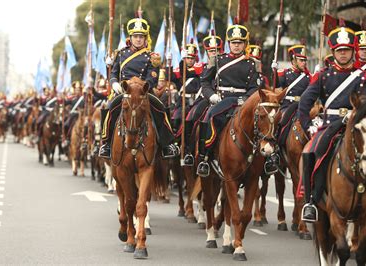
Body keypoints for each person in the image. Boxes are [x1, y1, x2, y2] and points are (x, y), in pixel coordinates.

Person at [299, 25, 366, 222]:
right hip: (330, 124)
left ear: (353, 51)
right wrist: (309, 125)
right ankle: (311, 201)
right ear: (333, 52)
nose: (343, 54)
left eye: (347, 50)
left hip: (356, 125)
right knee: (311, 152)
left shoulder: (364, 77)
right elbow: (305, 102)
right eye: (340, 51)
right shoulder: (323, 75)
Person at [98, 17, 179, 159]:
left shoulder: (151, 57)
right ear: (130, 37)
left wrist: (140, 88)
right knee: (110, 108)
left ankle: (167, 144)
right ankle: (105, 143)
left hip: (143, 92)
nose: (138, 39)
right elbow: (114, 73)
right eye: (136, 36)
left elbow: (152, 78)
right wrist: (114, 83)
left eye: (141, 36)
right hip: (124, 91)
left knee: (160, 108)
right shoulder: (121, 54)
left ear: (145, 38)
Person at [196, 21, 261, 176]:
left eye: (239, 43)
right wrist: (211, 95)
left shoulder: (252, 64)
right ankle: (204, 157)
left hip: (243, 103)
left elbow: (254, 87)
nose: (236, 46)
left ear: (245, 44)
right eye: (233, 43)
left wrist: (246, 99)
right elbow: (205, 81)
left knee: (264, 122)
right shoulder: (218, 60)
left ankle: (269, 157)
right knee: (207, 118)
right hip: (221, 100)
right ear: (228, 44)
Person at [182, 30, 224, 166]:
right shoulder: (202, 67)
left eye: (217, 50)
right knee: (191, 116)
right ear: (206, 52)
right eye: (211, 51)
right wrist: (181, 61)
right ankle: (189, 151)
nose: (214, 53)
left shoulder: (225, 64)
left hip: (224, 99)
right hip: (206, 98)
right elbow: (185, 72)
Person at [275, 44, 312, 169]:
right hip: (287, 107)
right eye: (301, 60)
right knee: (280, 122)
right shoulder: (284, 74)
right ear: (293, 60)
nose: (303, 63)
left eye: (304, 60)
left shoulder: (309, 77)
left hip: (302, 108)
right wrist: (274, 72)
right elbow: (276, 86)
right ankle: (276, 149)